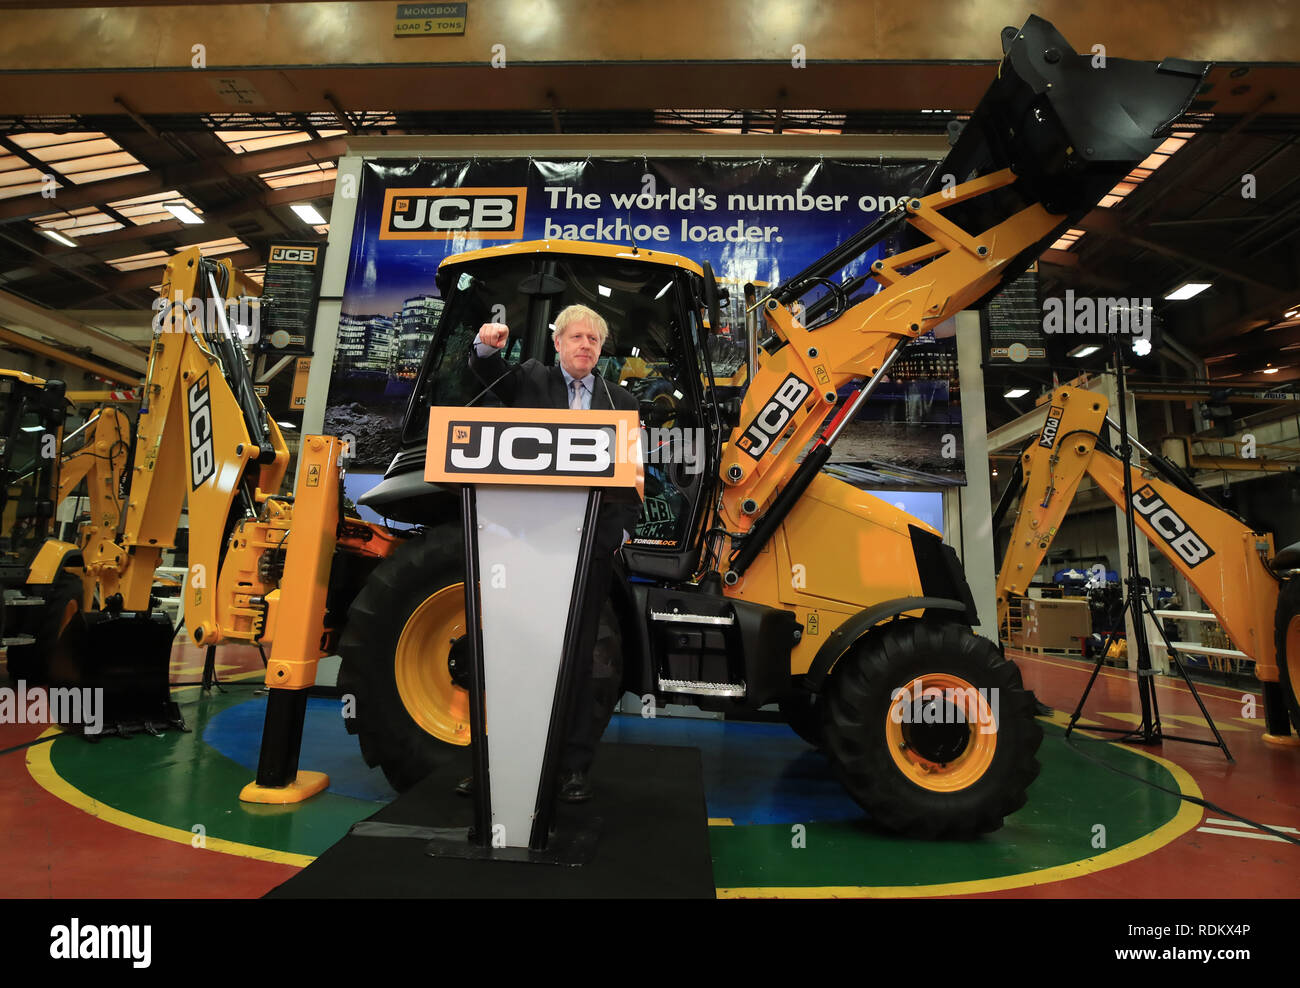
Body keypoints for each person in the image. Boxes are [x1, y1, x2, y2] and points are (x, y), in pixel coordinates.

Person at [462, 303, 641, 803]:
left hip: (588, 552)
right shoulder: (530, 379)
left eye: (593, 340)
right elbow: (486, 372)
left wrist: (617, 536)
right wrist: (485, 346)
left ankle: (572, 768)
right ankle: (495, 766)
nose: (585, 345)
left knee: (580, 661)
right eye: (576, 337)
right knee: (515, 655)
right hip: (528, 547)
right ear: (557, 342)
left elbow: (632, 477)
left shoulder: (620, 400)